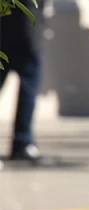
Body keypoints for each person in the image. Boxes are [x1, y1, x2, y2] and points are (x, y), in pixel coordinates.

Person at [1, 2, 54, 165]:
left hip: (9, 33)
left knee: (27, 90)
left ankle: (23, 142)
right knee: (28, 89)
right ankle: (23, 143)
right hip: (26, 35)